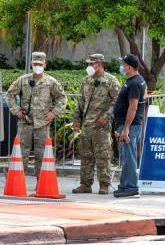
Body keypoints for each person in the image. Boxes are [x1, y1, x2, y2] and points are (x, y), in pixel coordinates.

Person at [7, 52, 66, 177]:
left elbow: (62, 98)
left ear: (45, 64)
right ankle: (17, 179)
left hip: (42, 124)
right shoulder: (23, 80)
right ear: (31, 64)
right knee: (21, 152)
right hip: (25, 122)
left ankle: (42, 181)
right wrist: (16, 110)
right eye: (35, 63)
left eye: (40, 63)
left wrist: (53, 113)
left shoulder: (51, 82)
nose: (37, 66)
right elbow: (10, 94)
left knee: (42, 154)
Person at [72, 54, 121, 195]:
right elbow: (80, 102)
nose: (89, 66)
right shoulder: (86, 81)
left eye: (91, 63)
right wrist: (76, 119)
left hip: (101, 126)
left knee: (103, 156)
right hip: (87, 124)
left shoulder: (111, 81)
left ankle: (104, 185)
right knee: (86, 155)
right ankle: (85, 184)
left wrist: (107, 116)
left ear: (99, 64)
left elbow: (117, 101)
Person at [113, 54, 147, 198]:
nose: (121, 66)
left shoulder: (134, 83)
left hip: (130, 126)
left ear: (129, 67)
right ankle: (125, 185)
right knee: (126, 156)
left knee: (129, 156)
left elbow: (133, 107)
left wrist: (126, 128)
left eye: (123, 64)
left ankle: (131, 187)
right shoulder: (135, 80)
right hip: (129, 125)